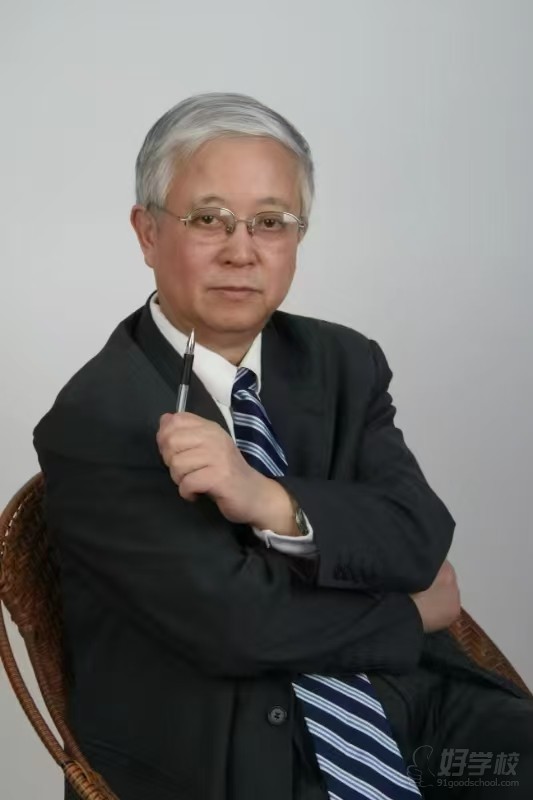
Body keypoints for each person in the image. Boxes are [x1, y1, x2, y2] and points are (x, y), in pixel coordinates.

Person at [34, 93, 533, 800]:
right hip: (229, 753)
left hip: (407, 710)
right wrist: (407, 614)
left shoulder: (342, 362)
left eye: (270, 223)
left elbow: (417, 538)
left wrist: (270, 499)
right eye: (208, 219)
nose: (241, 251)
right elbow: (238, 624)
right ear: (147, 233)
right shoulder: (96, 418)